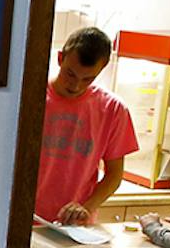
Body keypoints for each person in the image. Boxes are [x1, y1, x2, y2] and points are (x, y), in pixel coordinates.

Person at [33, 27, 137, 226]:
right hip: (25, 221)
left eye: (87, 79)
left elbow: (114, 174)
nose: (75, 86)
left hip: (75, 226)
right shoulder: (32, 98)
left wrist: (87, 207)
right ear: (60, 58)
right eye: (70, 74)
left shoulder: (112, 109)